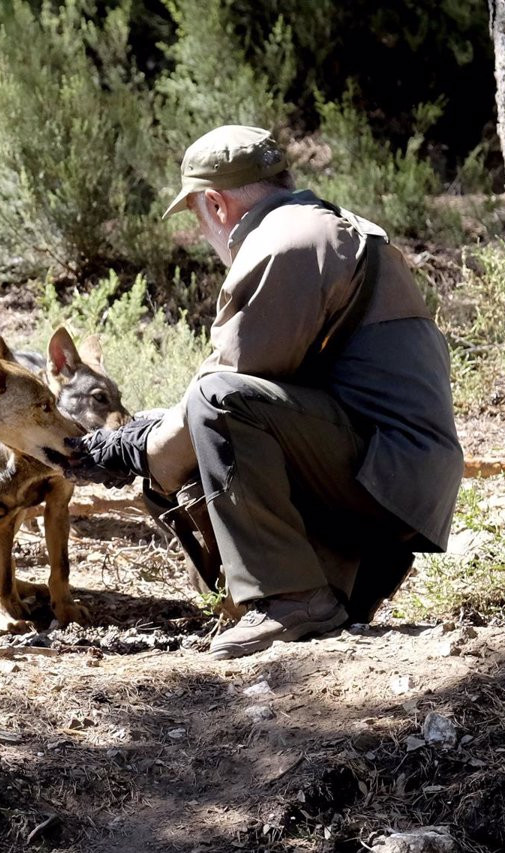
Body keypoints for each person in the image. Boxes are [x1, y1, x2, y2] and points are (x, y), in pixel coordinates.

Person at [68, 125, 463, 659]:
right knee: (191, 416)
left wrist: (138, 450)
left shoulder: (285, 243)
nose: (206, 235)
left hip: (385, 479)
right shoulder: (321, 228)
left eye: (198, 217)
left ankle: (292, 596)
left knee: (214, 405)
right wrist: (150, 435)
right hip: (397, 477)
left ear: (215, 203)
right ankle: (329, 585)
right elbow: (282, 387)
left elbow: (225, 390)